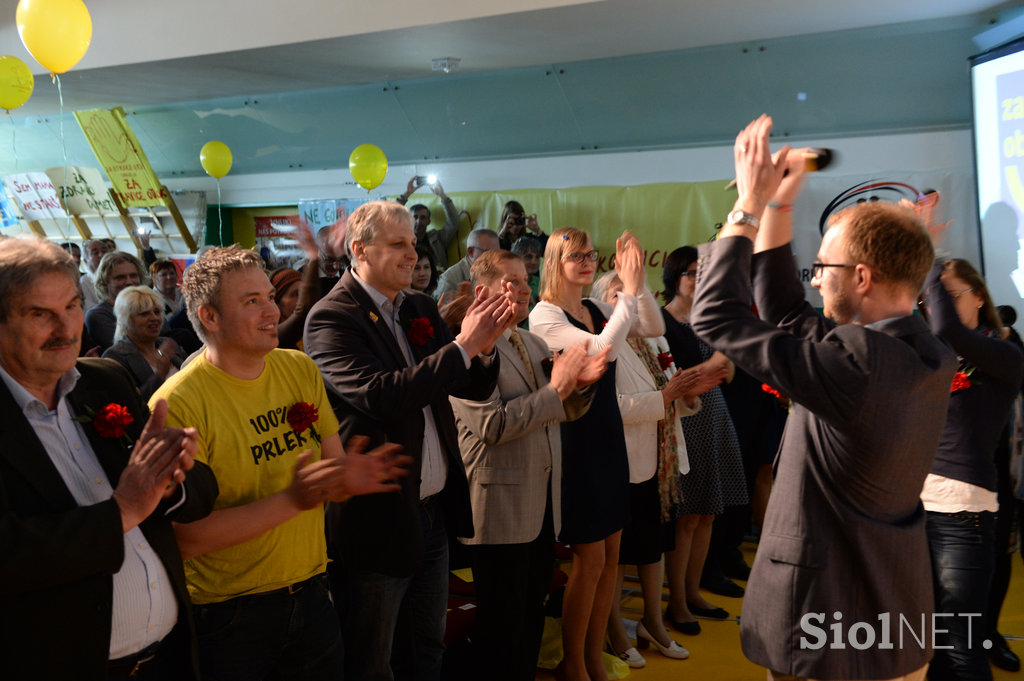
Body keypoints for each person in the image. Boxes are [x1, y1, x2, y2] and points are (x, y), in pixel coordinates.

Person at [691, 115, 957, 681]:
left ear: (861, 278)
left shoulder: (854, 365)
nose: (814, 280)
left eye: (823, 268)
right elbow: (787, 313)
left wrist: (748, 206)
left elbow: (715, 315)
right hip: (891, 613)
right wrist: (781, 204)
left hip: (830, 622)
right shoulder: (925, 354)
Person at [151, 245, 410, 681]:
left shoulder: (298, 368)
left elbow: (331, 478)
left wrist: (345, 477)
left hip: (310, 594)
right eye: (252, 301)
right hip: (229, 616)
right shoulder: (177, 403)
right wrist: (294, 499)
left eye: (269, 296)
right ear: (209, 317)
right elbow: (186, 539)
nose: (271, 310)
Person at [304, 201, 514, 680]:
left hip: (431, 510)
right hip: (378, 515)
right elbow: (382, 397)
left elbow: (470, 386)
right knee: (373, 660)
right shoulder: (331, 318)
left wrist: (483, 346)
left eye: (412, 244)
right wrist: (463, 346)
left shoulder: (417, 306)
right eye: (398, 243)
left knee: (426, 645)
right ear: (359, 249)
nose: (410, 253)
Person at [0, 236, 218, 681]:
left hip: (170, 656)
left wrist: (172, 479)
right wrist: (121, 512)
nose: (66, 329)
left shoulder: (105, 382)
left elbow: (198, 493)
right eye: (39, 314)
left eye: (71, 307)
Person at [450, 249, 608, 681]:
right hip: (498, 511)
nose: (524, 289)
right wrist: (557, 391)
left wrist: (580, 386)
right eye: (512, 281)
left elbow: (557, 410)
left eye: (525, 280)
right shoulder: (467, 348)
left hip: (539, 506)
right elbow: (493, 427)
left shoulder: (532, 340)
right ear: (482, 291)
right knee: (501, 632)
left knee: (529, 623)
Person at [529, 227, 664, 681]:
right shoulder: (544, 316)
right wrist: (626, 295)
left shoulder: (593, 307)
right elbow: (601, 351)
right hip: (577, 441)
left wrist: (636, 284)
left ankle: (590, 658)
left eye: (591, 255)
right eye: (576, 256)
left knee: (610, 555)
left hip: (608, 437)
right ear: (555, 263)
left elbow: (653, 326)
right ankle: (574, 663)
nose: (588, 262)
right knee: (588, 559)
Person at [589, 271, 715, 668]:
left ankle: (653, 622)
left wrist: (687, 395)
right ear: (600, 303)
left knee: (653, 544)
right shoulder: (599, 346)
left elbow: (671, 392)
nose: (626, 301)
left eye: (632, 293)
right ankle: (614, 631)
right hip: (620, 460)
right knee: (617, 554)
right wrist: (665, 395)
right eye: (616, 294)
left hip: (659, 461)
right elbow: (611, 408)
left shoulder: (654, 338)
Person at [920, 254, 1023, 680]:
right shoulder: (931, 354)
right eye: (930, 298)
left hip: (963, 512)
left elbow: (947, 326)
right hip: (913, 507)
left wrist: (925, 255)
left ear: (979, 296)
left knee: (962, 649)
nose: (935, 305)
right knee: (931, 644)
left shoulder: (1005, 352)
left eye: (947, 293)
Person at [659, 246, 748, 632]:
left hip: (716, 415)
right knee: (687, 517)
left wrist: (710, 370)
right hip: (684, 421)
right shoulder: (660, 321)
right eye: (692, 273)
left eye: (703, 273)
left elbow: (727, 372)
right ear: (674, 277)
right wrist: (708, 369)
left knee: (709, 512)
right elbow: (680, 381)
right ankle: (676, 602)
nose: (698, 280)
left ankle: (694, 592)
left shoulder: (707, 317)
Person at [103, 286, 183, 402]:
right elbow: (131, 406)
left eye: (157, 312)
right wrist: (160, 374)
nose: (154, 318)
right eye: (144, 314)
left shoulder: (167, 343)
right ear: (126, 320)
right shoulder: (115, 356)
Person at [271, 218, 324, 350]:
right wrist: (313, 257)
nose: (302, 299)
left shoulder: (315, 332)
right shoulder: (274, 336)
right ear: (277, 302)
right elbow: (303, 310)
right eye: (295, 294)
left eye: (303, 293)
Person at [86, 251, 149, 353]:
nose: (129, 282)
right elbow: (124, 351)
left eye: (133, 275)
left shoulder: (149, 307)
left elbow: (168, 339)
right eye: (120, 277)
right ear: (105, 282)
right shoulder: (98, 315)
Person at [396, 177, 461, 270]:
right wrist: (406, 194)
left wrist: (443, 196)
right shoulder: (402, 240)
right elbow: (388, 218)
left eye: (423, 218)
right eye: (415, 217)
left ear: (428, 221)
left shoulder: (437, 239)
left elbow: (454, 223)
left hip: (436, 280)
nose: (419, 221)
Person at [434, 228, 501, 300]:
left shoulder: (500, 272)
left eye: (497, 253)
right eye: (488, 253)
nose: (494, 258)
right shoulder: (448, 280)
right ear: (471, 251)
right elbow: (441, 310)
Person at [511, 236, 544, 312]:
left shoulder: (542, 283)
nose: (533, 262)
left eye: (537, 257)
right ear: (516, 259)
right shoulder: (509, 283)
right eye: (528, 257)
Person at [81, 238, 109, 311]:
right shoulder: (83, 283)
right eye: (95, 253)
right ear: (85, 261)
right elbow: (92, 311)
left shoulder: (115, 278)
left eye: (104, 251)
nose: (101, 255)